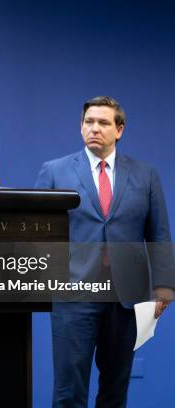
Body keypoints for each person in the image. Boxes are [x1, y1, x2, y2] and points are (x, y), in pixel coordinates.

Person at [35, 96, 174, 407]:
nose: (94, 128)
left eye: (103, 123)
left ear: (119, 129)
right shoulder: (54, 171)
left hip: (125, 298)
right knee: (69, 391)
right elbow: (40, 233)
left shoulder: (145, 174)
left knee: (115, 390)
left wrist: (163, 287)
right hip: (74, 294)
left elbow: (160, 233)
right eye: (88, 122)